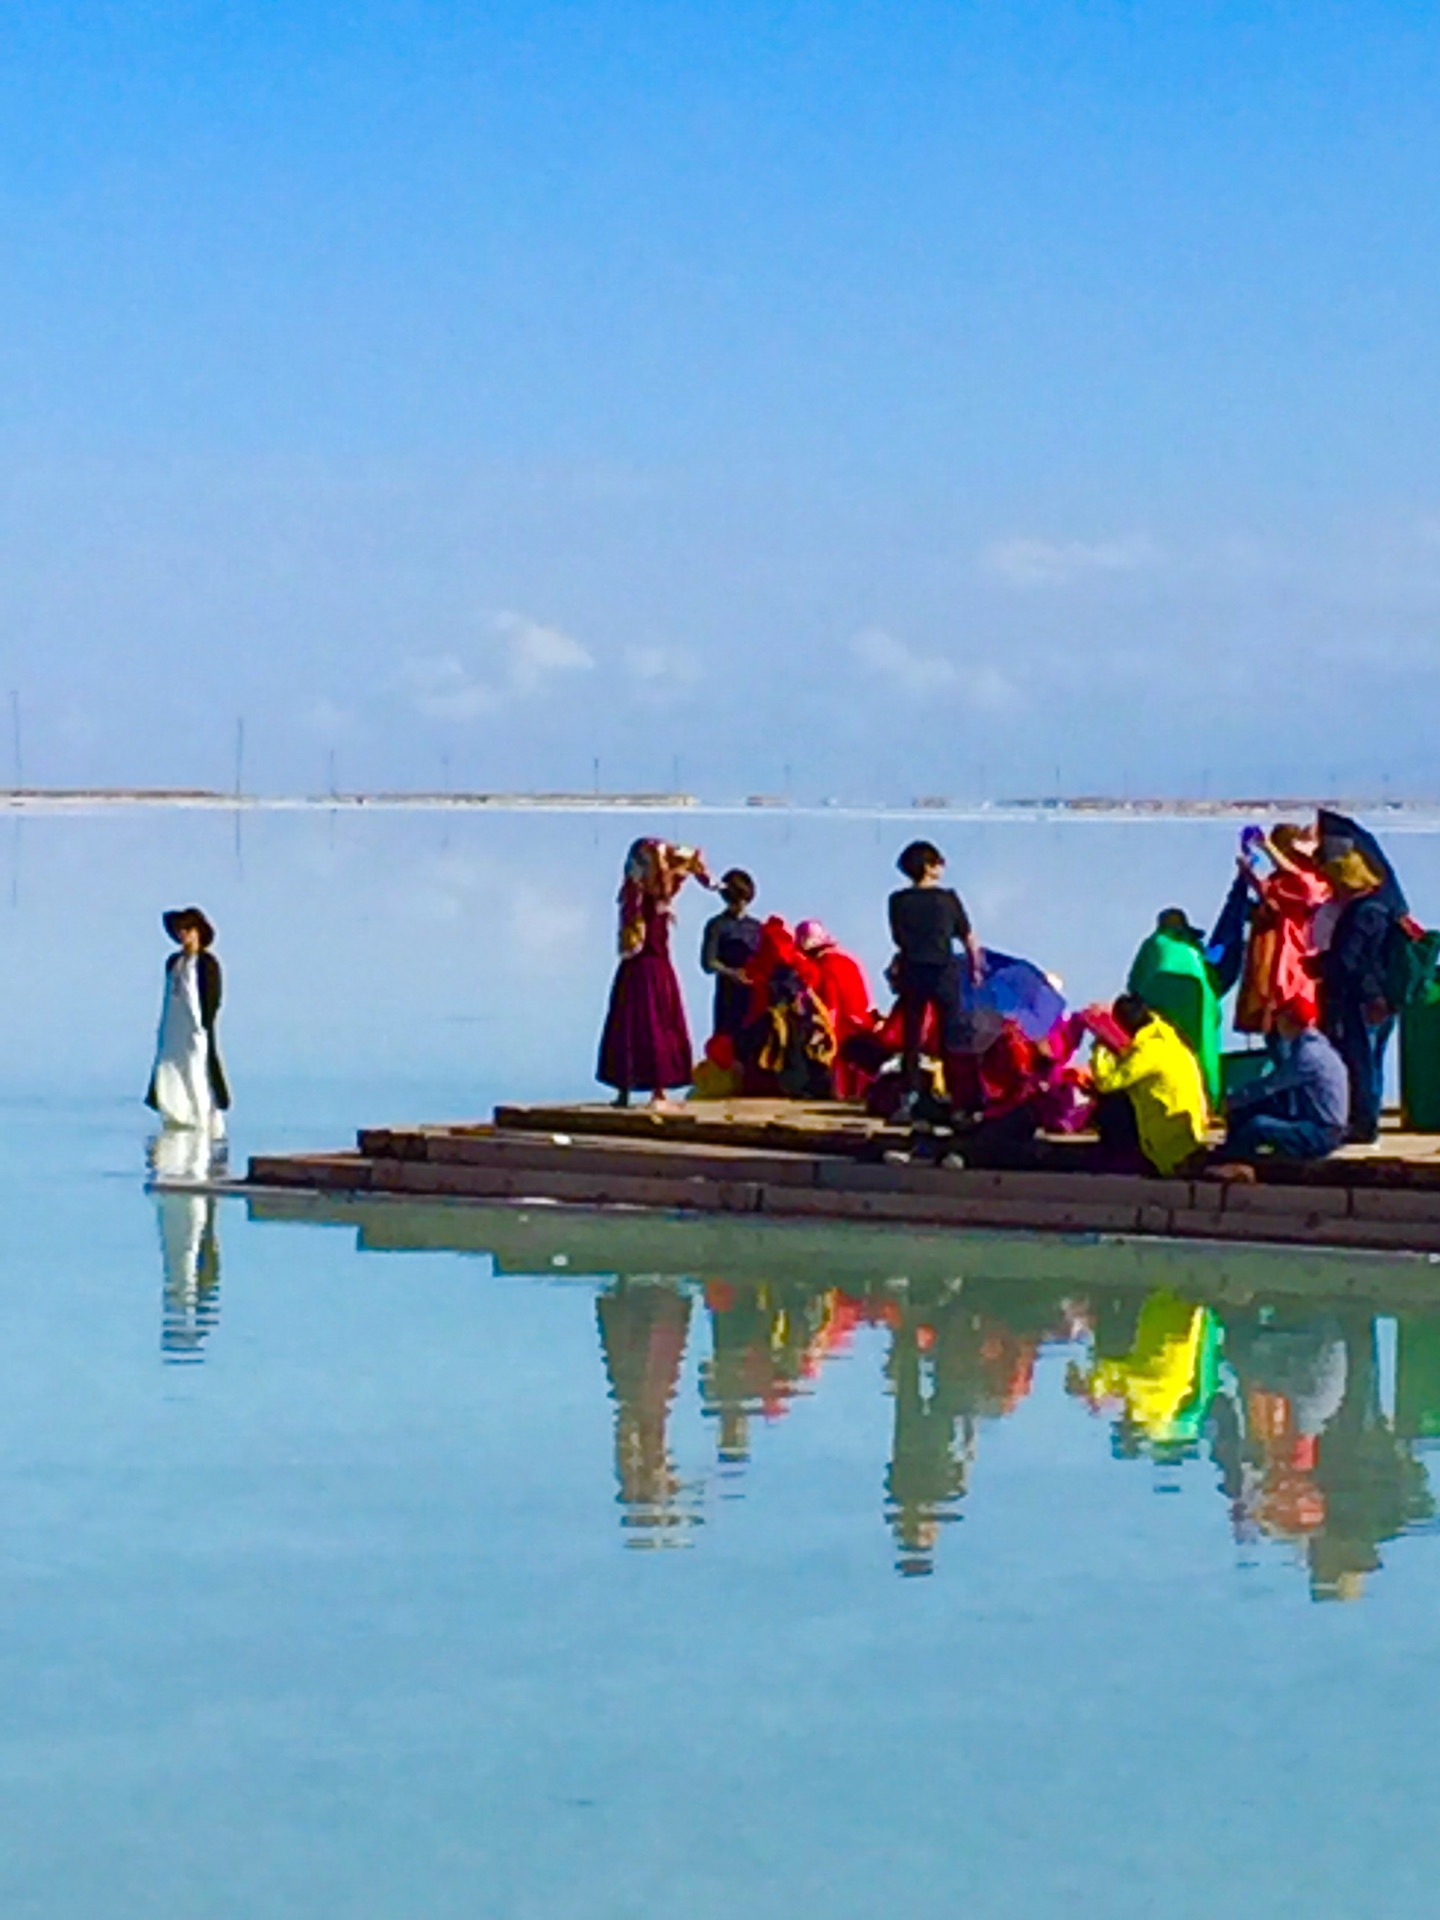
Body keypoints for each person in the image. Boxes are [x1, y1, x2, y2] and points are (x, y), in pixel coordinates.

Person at [597, 838, 711, 1107]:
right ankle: (654, 1091)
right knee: (656, 1026)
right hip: (655, 970)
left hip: (638, 970)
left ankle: (627, 1091)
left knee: (631, 1027)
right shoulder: (659, 895)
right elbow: (684, 861)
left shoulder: (635, 895)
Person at [888, 840, 983, 1106]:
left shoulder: (897, 901)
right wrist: (975, 969)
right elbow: (968, 937)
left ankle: (911, 1093)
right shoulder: (948, 899)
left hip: (912, 968)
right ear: (929, 867)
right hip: (943, 969)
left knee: (912, 1035)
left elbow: (898, 937)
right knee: (951, 1034)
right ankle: (957, 1095)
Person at [1319, 849, 1396, 1145]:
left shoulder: (1360, 914)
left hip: (1362, 999)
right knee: (1373, 1061)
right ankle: (1369, 1119)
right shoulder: (1383, 907)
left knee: (1361, 1061)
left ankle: (1364, 1124)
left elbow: (1349, 960)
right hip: (1383, 999)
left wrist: (1323, 965)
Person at [1087, 993, 1210, 1176]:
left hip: (1166, 1143)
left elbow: (1106, 1082)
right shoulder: (1164, 1035)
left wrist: (1101, 1047)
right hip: (1188, 1130)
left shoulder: (1148, 1052)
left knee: (1112, 1103)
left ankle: (1122, 1159)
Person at [1217, 1003, 1349, 1166]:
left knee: (1257, 1126)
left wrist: (1230, 1101)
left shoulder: (1308, 1054)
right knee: (1249, 1110)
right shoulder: (1314, 1046)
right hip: (1318, 1123)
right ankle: (1230, 1155)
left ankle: (1231, 1163)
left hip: (1321, 1132)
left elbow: (1271, 1085)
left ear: (1288, 1022)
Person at [1235, 823, 1331, 1042]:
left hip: (1298, 976)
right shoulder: (1282, 883)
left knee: (1296, 1040)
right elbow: (1269, 895)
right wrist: (1248, 873)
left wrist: (1268, 848)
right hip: (1278, 977)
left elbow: (1307, 889)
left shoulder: (1318, 883)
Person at [146, 907, 230, 1143]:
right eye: (180, 931)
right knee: (169, 1071)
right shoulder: (174, 962)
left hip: (196, 1030)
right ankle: (176, 1117)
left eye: (188, 930)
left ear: (198, 932)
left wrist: (203, 1024)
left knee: (198, 1072)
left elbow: (212, 998)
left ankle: (203, 1121)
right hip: (174, 1031)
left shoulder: (207, 963)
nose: (184, 935)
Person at [1127, 908, 1223, 1105]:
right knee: (1204, 1055)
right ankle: (1210, 1103)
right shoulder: (1193, 947)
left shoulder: (1152, 944)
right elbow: (1212, 981)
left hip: (1161, 1011)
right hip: (1201, 1007)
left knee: (1166, 1055)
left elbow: (1134, 983)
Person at [795, 920, 875, 1100]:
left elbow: (829, 1007)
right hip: (862, 1024)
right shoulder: (850, 961)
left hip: (841, 1028)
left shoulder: (824, 967)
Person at [700, 869, 763, 1043]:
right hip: (728, 995)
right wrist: (731, 973)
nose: (740, 905)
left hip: (753, 995)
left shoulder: (757, 927)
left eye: (743, 900)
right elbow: (708, 962)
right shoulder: (716, 925)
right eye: (736, 900)